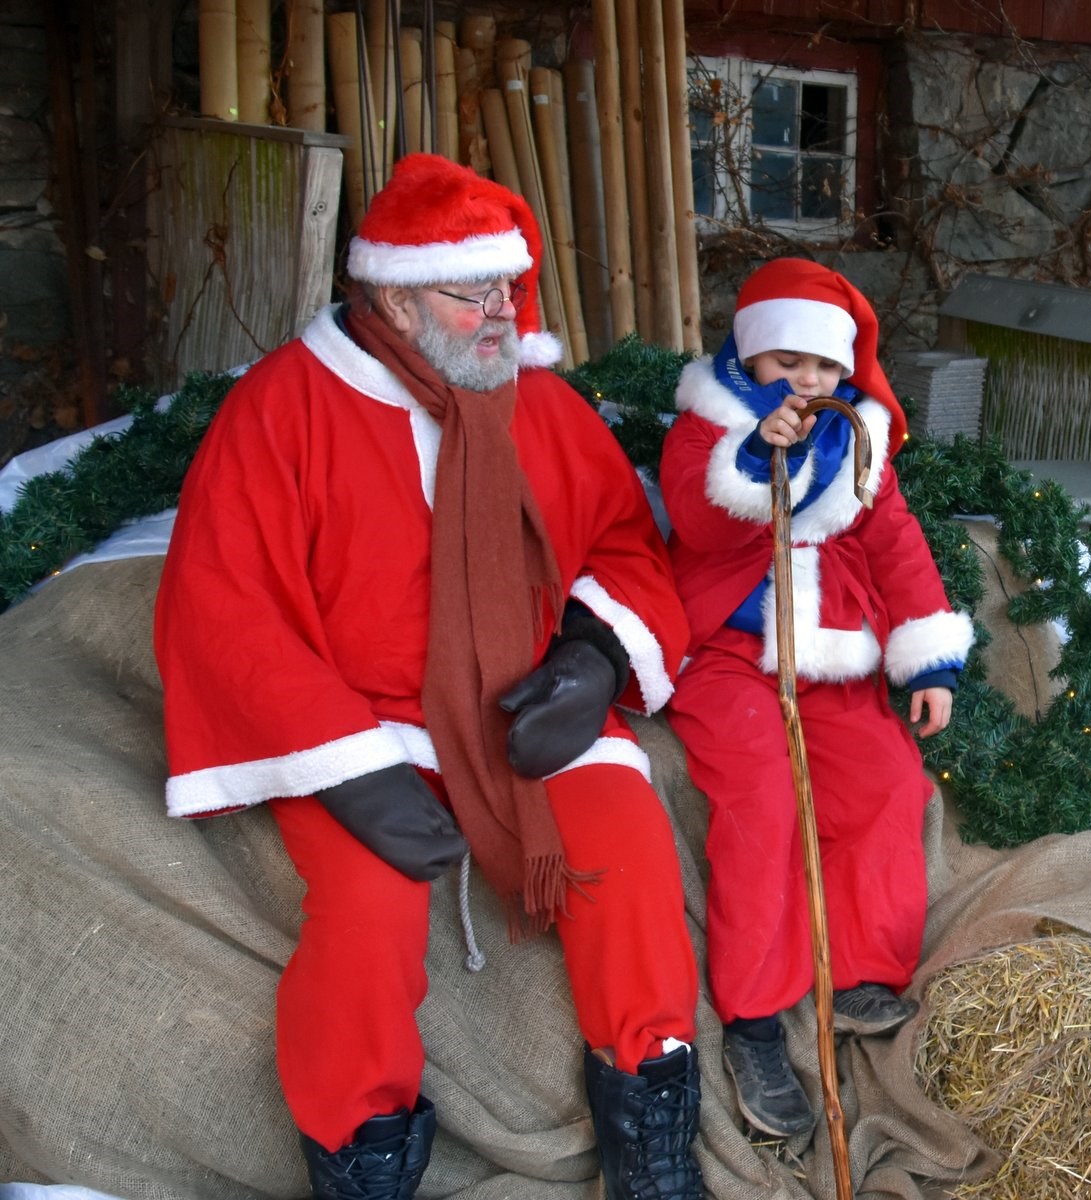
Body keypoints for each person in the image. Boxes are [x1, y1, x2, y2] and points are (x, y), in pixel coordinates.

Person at [153, 153, 704, 1200]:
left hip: (521, 702)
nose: (503, 312)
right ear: (395, 297)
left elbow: (624, 545)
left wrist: (589, 661)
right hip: (359, 722)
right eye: (473, 292)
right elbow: (227, 604)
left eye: (509, 286)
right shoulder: (285, 411)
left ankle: (655, 1143)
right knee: (367, 910)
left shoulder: (532, 400)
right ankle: (362, 1162)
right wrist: (350, 772)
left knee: (628, 858)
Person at [659, 258, 974, 1139]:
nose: (808, 380)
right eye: (788, 360)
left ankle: (862, 973)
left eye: (825, 367)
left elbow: (895, 542)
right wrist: (764, 455)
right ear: (751, 357)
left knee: (883, 779)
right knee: (761, 804)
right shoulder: (708, 426)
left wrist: (925, 660)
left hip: (829, 652)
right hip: (731, 654)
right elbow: (698, 512)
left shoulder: (858, 437)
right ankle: (755, 1020)